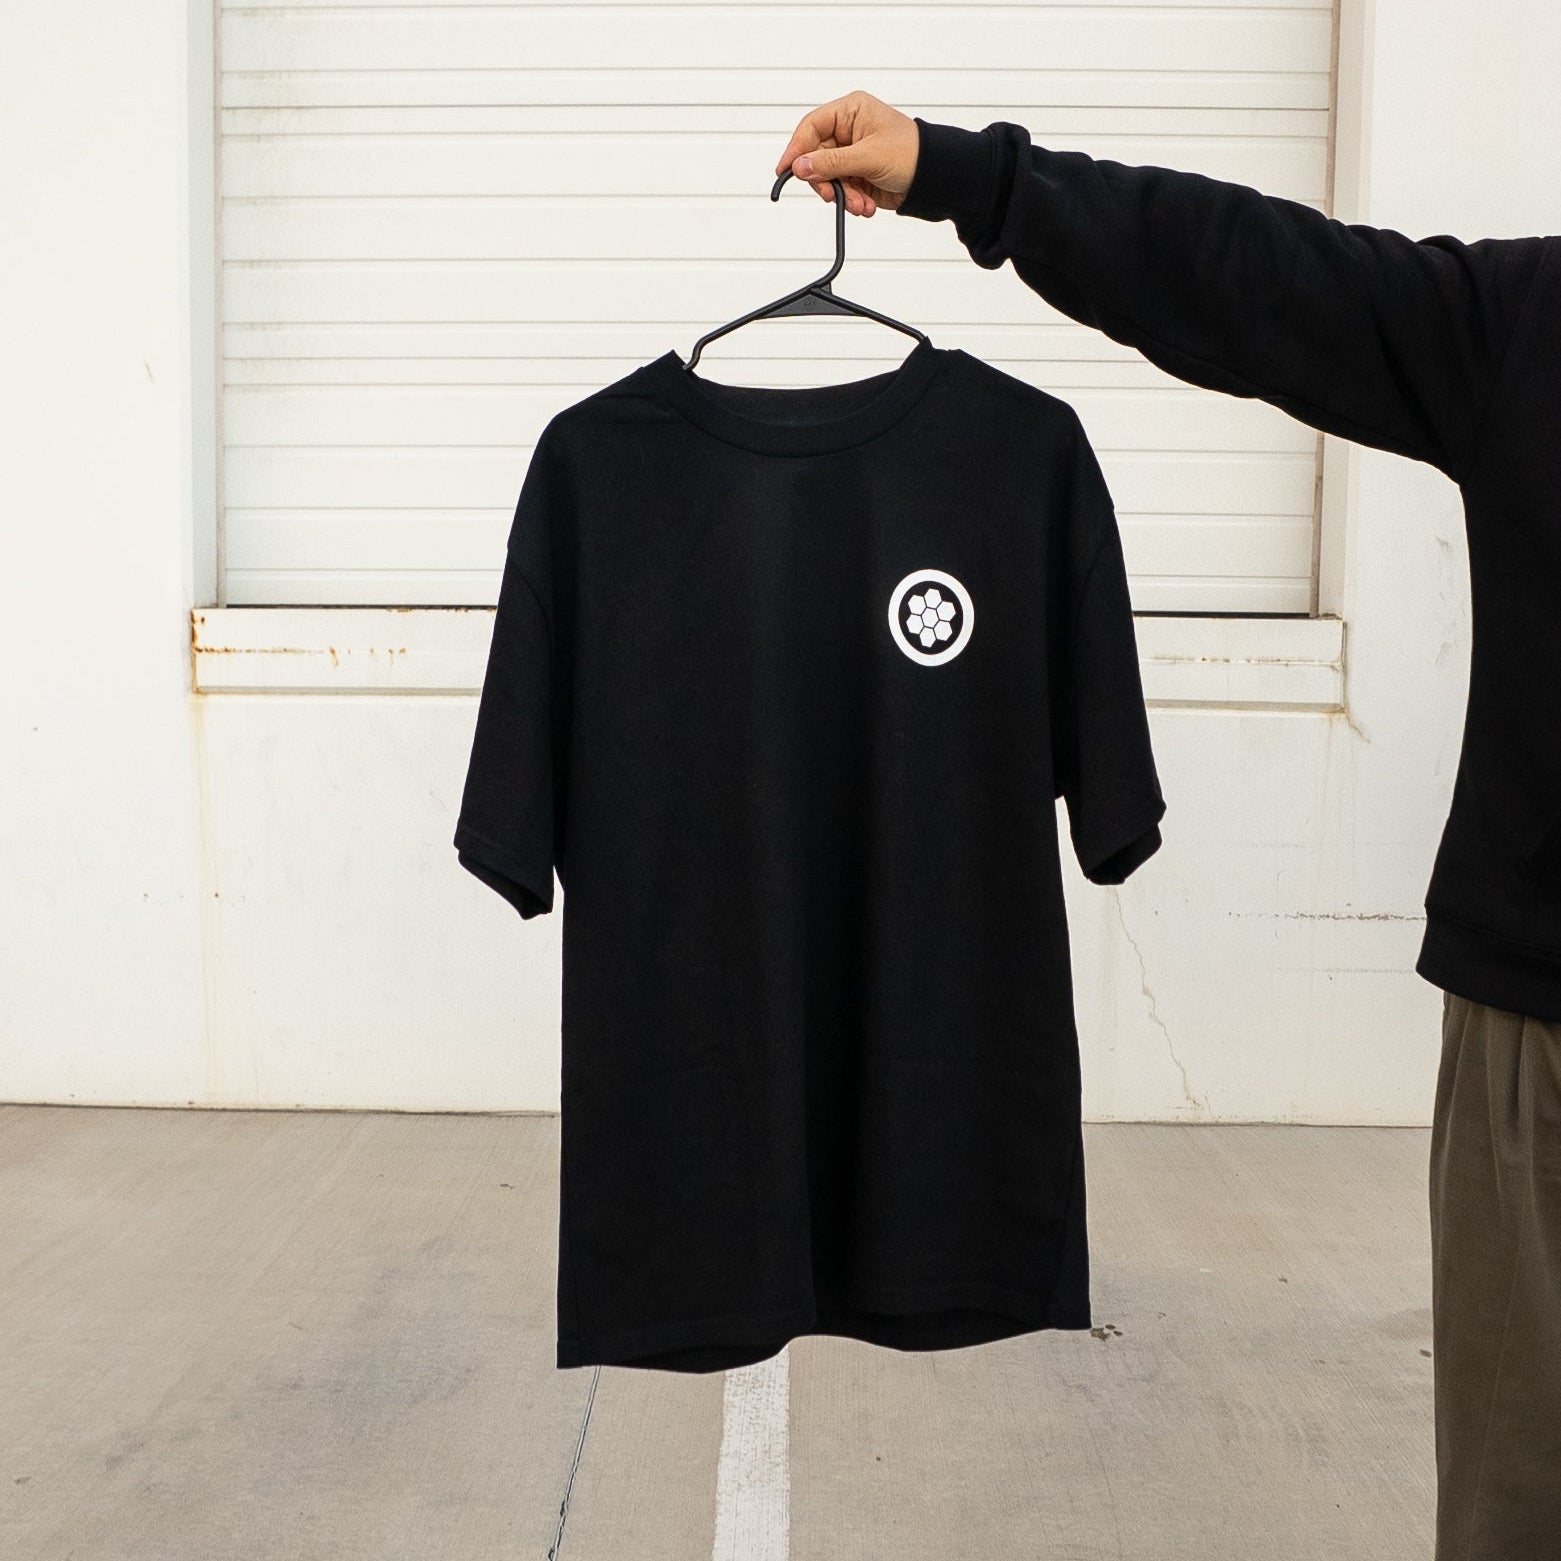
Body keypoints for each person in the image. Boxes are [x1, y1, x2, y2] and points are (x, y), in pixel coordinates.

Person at [773, 90, 1561, 1561]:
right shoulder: (1532, 330)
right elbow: (1251, 275)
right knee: (1526, 1505)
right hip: (1546, 1034)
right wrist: (967, 176)